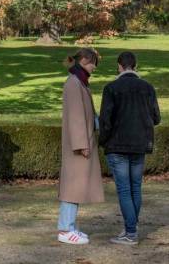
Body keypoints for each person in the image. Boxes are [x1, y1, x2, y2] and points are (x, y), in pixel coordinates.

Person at [99, 51, 161, 245]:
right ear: (136, 66)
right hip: (140, 145)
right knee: (135, 188)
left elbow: (105, 121)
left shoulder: (111, 88)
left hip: (117, 145)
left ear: (119, 66)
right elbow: (156, 118)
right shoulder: (148, 88)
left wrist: (103, 141)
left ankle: (131, 232)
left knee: (125, 190)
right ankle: (130, 228)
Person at [57, 48, 104, 245]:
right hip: (78, 146)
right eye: (94, 63)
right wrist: (81, 144)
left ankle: (69, 226)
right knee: (72, 187)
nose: (95, 68)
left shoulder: (79, 81)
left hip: (81, 143)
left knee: (75, 187)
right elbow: (75, 117)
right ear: (85, 60)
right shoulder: (75, 83)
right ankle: (65, 229)